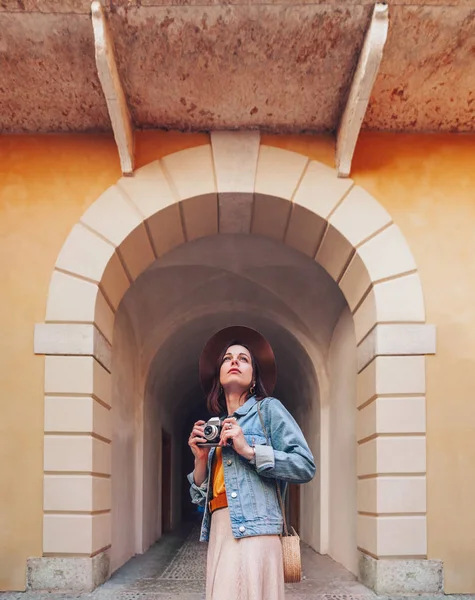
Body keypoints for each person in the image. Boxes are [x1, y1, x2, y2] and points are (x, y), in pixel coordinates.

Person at [187, 326, 316, 600]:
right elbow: (202, 497)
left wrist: (249, 450)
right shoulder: (217, 426)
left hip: (257, 532)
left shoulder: (268, 409)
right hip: (220, 531)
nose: (234, 361)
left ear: (254, 376)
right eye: (227, 358)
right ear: (219, 377)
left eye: (243, 359)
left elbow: (305, 465)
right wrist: (200, 461)